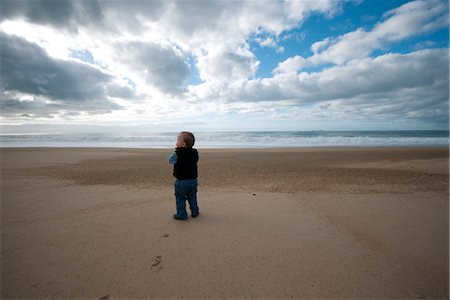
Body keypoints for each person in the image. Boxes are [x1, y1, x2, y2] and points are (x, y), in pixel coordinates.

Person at [167, 131, 199, 220]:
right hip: (193, 180)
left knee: (180, 198)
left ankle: (181, 214)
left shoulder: (177, 153)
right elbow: (196, 160)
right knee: (192, 197)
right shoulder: (194, 152)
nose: (176, 142)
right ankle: (195, 211)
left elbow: (170, 160)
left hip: (182, 181)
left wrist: (176, 153)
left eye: (178, 140)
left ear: (183, 144)